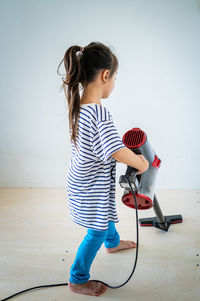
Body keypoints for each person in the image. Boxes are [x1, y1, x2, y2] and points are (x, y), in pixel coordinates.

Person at [57, 42, 149, 297]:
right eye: (115, 77)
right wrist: (141, 163)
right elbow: (116, 150)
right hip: (89, 186)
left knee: (104, 212)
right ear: (105, 75)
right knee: (95, 230)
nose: (114, 82)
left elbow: (105, 145)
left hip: (82, 181)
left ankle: (113, 242)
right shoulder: (99, 113)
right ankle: (77, 278)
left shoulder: (79, 107)